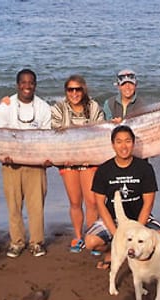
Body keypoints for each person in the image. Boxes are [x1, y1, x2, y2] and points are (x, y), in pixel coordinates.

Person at [84, 125, 160, 269]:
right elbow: (100, 204)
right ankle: (111, 252)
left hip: (139, 218)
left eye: (127, 141)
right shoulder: (104, 170)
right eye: (119, 141)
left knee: (159, 238)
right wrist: (117, 235)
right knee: (90, 242)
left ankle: (137, 256)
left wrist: (138, 230)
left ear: (133, 143)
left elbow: (148, 203)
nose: (123, 146)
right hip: (114, 219)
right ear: (113, 145)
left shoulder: (145, 168)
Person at [0, 68, 52, 258]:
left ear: (35, 85)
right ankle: (17, 241)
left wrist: (46, 158)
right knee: (14, 205)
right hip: (11, 164)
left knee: (36, 206)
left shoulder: (43, 107)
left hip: (36, 165)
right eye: (24, 82)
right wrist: (5, 155)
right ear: (18, 84)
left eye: (31, 82)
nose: (27, 86)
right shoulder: (5, 107)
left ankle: (36, 242)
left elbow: (47, 137)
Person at [51, 74, 105, 253]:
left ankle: (91, 236)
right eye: (70, 89)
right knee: (75, 201)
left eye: (78, 89)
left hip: (90, 160)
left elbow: (100, 132)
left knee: (92, 202)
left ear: (84, 90)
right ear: (66, 91)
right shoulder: (59, 108)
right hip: (68, 161)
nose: (74, 93)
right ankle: (78, 236)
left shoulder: (94, 106)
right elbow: (54, 134)